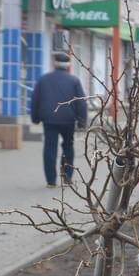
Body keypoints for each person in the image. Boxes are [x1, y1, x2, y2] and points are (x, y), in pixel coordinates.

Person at [31, 52, 87, 188]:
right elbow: (81, 102)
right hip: (68, 120)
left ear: (54, 64)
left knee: (50, 149)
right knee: (68, 147)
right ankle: (67, 177)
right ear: (68, 65)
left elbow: (35, 100)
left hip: (49, 120)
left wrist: (35, 118)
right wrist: (82, 121)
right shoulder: (74, 81)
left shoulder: (43, 80)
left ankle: (51, 180)